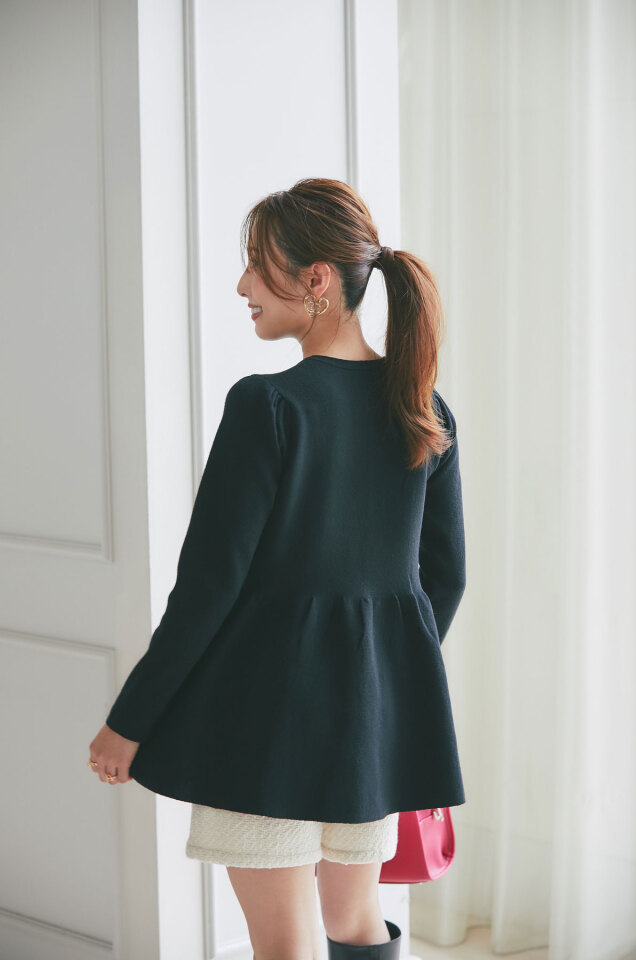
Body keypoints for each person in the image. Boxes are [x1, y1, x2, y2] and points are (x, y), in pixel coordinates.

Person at [87, 177, 466, 960]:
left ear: (317, 279)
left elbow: (209, 587)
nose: (242, 287)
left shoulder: (269, 405)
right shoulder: (426, 408)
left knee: (283, 943)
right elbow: (444, 577)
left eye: (257, 265)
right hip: (371, 724)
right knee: (355, 922)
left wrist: (129, 722)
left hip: (263, 719)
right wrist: (384, 678)